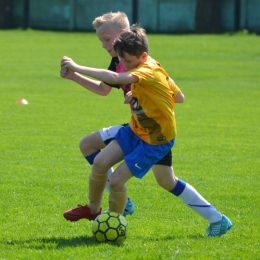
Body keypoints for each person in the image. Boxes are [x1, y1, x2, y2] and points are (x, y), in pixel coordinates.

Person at [60, 24, 233, 237]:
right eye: (122, 61)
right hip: (136, 131)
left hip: (155, 140)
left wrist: (77, 67)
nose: (124, 65)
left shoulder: (148, 69)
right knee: (103, 163)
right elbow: (178, 96)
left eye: (128, 62)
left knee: (117, 181)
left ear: (143, 56)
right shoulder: (149, 68)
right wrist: (143, 95)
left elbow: (114, 79)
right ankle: (95, 210)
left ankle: (113, 224)